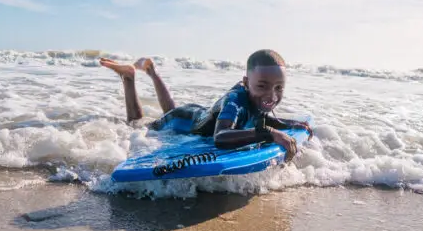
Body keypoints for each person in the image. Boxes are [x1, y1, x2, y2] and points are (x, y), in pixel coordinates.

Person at [99, 49, 312, 161]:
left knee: (173, 111)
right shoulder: (234, 102)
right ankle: (129, 77)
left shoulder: (255, 98)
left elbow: (259, 116)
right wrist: (271, 134)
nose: (271, 95)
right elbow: (220, 138)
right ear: (246, 82)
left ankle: (152, 72)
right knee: (137, 126)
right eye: (263, 86)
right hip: (182, 121)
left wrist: (288, 124)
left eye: (279, 88)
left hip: (194, 114)